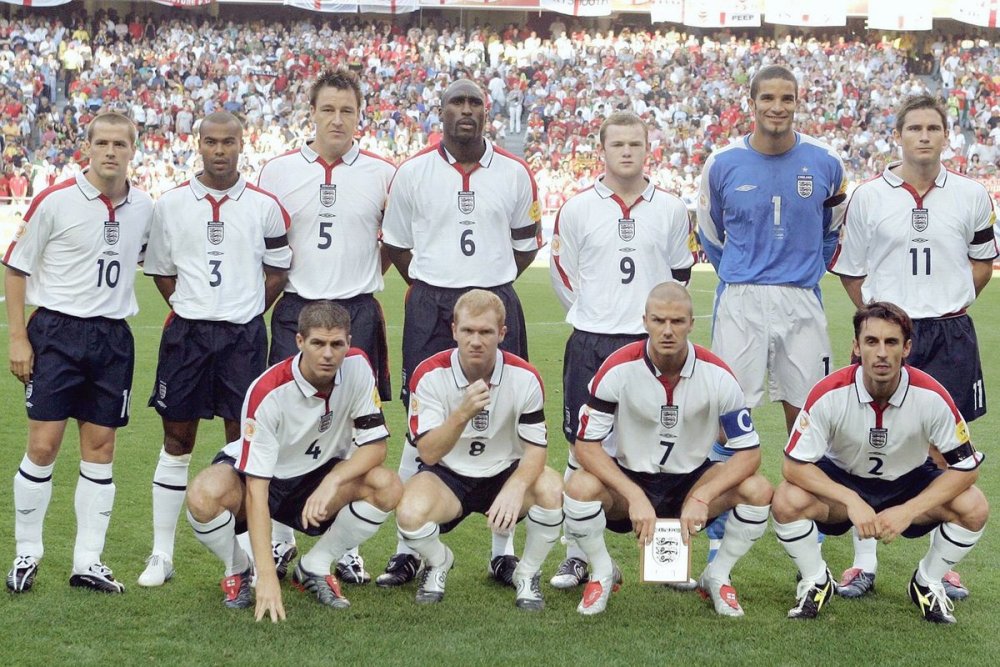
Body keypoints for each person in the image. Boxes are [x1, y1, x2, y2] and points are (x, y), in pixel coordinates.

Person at [829, 95, 997, 601]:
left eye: (933, 128)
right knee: (866, 444)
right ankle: (863, 562)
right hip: (887, 336)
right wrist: (882, 322)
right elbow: (852, 271)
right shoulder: (868, 197)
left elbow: (982, 263)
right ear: (897, 135)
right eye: (914, 128)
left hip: (949, 333)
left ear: (946, 136)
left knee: (949, 451)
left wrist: (949, 300)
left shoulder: (971, 194)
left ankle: (939, 568)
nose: (924, 136)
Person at [381, 78, 542, 588]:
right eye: (457, 102)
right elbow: (397, 246)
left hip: (495, 301)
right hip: (430, 304)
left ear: (487, 112)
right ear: (441, 110)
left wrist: (487, 293)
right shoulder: (412, 172)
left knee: (506, 415)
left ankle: (502, 551)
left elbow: (526, 246)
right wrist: (433, 285)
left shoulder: (514, 172)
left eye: (475, 102)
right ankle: (407, 550)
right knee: (420, 423)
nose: (466, 110)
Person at [137, 111, 292, 588]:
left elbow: (278, 271)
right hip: (187, 338)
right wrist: (192, 306)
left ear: (242, 144)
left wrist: (246, 310)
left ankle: (243, 559)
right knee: (176, 441)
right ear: (198, 144)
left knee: (242, 443)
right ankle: (161, 555)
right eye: (211, 142)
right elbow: (161, 271)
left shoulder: (264, 206)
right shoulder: (170, 204)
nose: (220, 150)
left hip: (243, 340)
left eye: (228, 142)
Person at [257, 69, 396, 586]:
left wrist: (359, 282)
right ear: (311, 113)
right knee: (285, 424)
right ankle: (280, 537)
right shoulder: (277, 171)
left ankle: (344, 546)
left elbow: (392, 243)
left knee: (354, 427)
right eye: (328, 110)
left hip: (357, 310)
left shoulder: (383, 173)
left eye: (347, 111)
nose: (337, 120)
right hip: (296, 308)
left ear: (360, 116)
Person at [4, 112, 153, 593]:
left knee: (101, 449)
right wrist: (18, 337)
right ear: (86, 147)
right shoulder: (55, 200)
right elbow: (16, 268)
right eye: (102, 143)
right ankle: (27, 553)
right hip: (56, 333)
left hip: (112, 339)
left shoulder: (145, 207)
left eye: (120, 144)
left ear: (132, 150)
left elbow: (156, 260)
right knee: (43, 445)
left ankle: (88, 560)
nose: (111, 151)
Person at [562, 283, 772, 616]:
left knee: (757, 490)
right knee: (578, 487)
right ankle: (602, 571)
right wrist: (634, 495)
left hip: (691, 482)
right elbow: (586, 447)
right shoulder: (617, 368)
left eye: (677, 321)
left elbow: (750, 453)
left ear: (691, 323)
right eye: (659, 320)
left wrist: (703, 496)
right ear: (645, 321)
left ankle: (717, 575)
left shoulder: (718, 375)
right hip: (630, 479)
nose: (668, 331)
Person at [772, 302, 987, 624]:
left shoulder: (931, 395)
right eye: (872, 341)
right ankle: (816, 580)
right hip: (843, 479)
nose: (882, 353)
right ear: (857, 347)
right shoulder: (829, 393)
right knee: (787, 499)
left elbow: (967, 468)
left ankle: (927, 582)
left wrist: (909, 510)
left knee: (974, 506)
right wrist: (851, 499)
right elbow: (793, 466)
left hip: (909, 482)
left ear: (907, 348)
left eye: (892, 342)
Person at [548, 111, 694, 589]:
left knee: (664, 448)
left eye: (635, 144)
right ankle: (578, 556)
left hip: (651, 348)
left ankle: (665, 562)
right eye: (618, 144)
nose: (627, 152)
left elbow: (679, 274)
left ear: (648, 149)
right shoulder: (577, 208)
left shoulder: (670, 208)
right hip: (593, 342)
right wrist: (596, 313)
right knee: (582, 448)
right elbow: (563, 274)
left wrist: (652, 325)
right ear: (603, 150)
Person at [185, 301, 401, 620]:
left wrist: (333, 480)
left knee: (387, 485)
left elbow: (376, 447)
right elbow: (257, 491)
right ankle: (239, 569)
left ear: (349, 342)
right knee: (203, 495)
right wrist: (267, 576)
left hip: (317, 476)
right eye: (318, 343)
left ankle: (315, 566)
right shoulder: (268, 391)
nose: (328, 354)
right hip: (262, 478)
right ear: (300, 341)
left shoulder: (358, 367)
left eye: (336, 344)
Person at [697, 64, 847, 435]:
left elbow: (833, 229)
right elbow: (710, 234)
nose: (777, 107)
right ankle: (730, 475)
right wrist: (741, 269)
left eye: (786, 99)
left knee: (808, 417)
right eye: (767, 98)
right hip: (740, 299)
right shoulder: (721, 163)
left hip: (800, 297)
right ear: (751, 104)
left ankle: (800, 476)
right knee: (729, 414)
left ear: (797, 103)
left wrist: (805, 268)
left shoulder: (827, 161)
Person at [394, 290, 563, 610]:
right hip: (447, 476)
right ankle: (439, 561)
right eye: (468, 330)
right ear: (454, 330)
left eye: (485, 332)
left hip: (504, 472)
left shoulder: (525, 377)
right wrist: (461, 414)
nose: (475, 341)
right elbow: (428, 453)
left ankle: (527, 574)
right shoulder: (429, 374)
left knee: (552, 489)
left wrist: (515, 487)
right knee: (408, 512)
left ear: (502, 333)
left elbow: (536, 449)